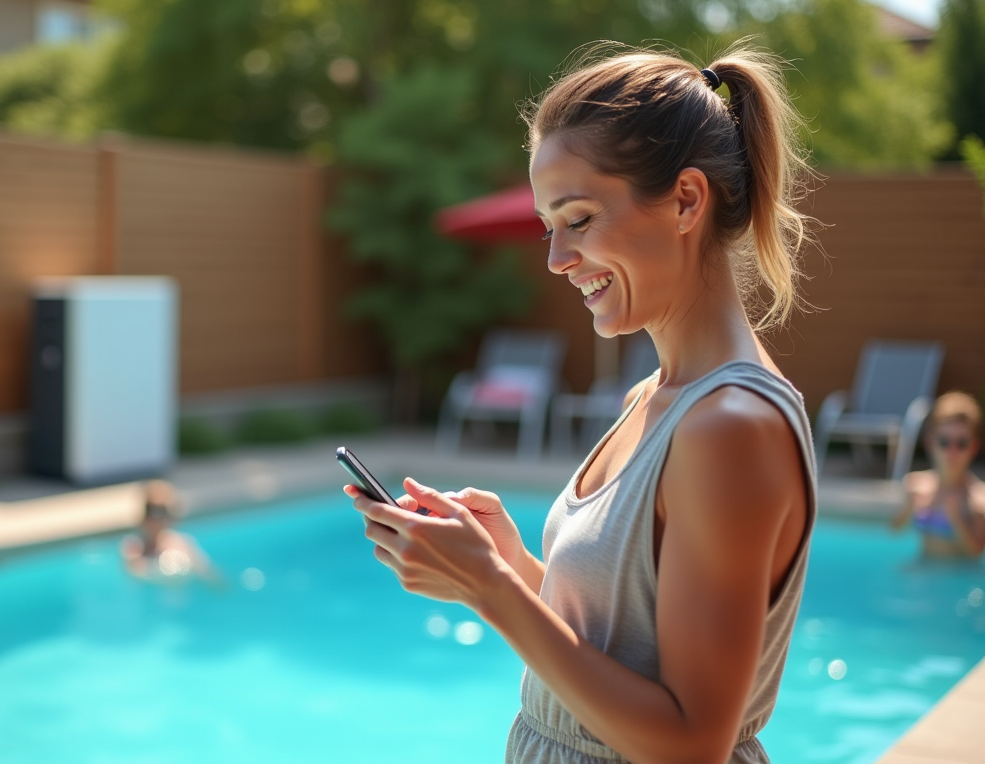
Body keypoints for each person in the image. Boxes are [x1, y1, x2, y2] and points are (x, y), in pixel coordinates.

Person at [345, 44, 818, 764]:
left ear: (687, 200)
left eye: (579, 219)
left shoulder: (731, 429)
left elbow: (691, 746)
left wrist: (492, 588)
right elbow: (622, 651)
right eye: (548, 227)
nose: (555, 259)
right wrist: (508, 566)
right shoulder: (650, 397)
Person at [891, 392, 985, 559]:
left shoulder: (975, 498)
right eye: (944, 442)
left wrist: (956, 518)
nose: (952, 451)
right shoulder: (917, 484)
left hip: (959, 578)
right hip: (924, 570)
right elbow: (895, 530)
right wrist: (909, 508)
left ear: (974, 446)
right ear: (931, 442)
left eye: (962, 443)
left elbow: (978, 552)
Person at [122, 479, 223, 586]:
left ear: (171, 516)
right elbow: (133, 580)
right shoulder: (133, 548)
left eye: (161, 511)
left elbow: (208, 575)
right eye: (150, 510)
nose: (155, 519)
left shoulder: (182, 545)